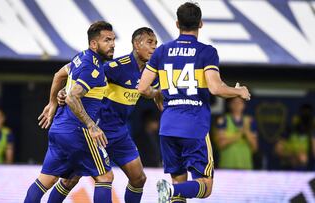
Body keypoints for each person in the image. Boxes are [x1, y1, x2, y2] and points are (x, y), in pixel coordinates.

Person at [138, 2, 251, 202]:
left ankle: (173, 191)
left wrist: (157, 93)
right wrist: (238, 91)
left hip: (168, 127)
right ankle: (172, 191)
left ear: (176, 24)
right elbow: (216, 88)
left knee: (179, 185)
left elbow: (141, 88)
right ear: (200, 23)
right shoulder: (206, 52)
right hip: (194, 126)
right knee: (205, 187)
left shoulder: (162, 51)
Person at [39, 27, 159, 203]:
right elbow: (86, 77)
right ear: (136, 44)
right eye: (150, 42)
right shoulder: (116, 66)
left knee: (139, 178)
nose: (154, 47)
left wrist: (158, 95)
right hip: (97, 132)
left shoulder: (151, 72)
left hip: (119, 133)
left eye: (156, 43)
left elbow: (149, 91)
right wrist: (65, 91)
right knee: (70, 180)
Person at [24, 21, 115, 203]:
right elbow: (73, 97)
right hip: (78, 131)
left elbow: (59, 74)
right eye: (107, 40)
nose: (112, 44)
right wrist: (91, 125)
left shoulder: (81, 57)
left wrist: (52, 103)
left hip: (59, 129)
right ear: (94, 44)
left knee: (52, 180)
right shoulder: (93, 67)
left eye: (113, 40)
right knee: (105, 177)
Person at [215, 97, 258, 169]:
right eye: (234, 102)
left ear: (244, 105)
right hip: (227, 165)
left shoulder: (250, 121)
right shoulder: (223, 120)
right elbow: (221, 144)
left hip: (245, 166)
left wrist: (247, 132)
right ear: (230, 105)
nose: (237, 105)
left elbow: (255, 147)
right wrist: (240, 133)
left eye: (240, 102)